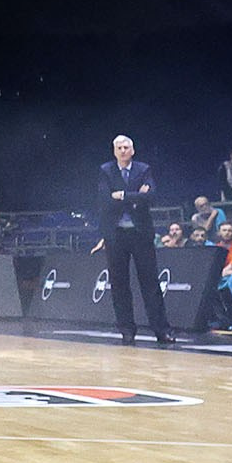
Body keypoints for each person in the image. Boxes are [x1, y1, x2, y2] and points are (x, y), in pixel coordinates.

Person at [95, 134, 172, 346]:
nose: (122, 151)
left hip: (140, 234)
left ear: (133, 150)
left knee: (150, 283)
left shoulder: (143, 169)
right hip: (116, 235)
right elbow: (104, 200)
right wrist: (135, 196)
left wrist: (122, 196)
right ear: (114, 151)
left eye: (126, 147)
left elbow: (151, 196)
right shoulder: (105, 170)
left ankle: (161, 330)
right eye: (119, 148)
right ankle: (127, 330)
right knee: (119, 284)